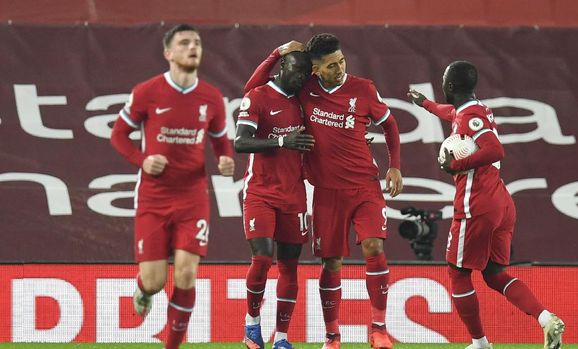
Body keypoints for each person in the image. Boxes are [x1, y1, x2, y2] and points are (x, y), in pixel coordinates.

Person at [245, 34, 403, 349]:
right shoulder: (304, 91)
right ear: (315, 70)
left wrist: (394, 166)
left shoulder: (364, 88)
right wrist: (277, 52)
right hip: (327, 192)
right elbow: (253, 89)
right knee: (331, 264)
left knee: (373, 246)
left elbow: (390, 125)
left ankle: (379, 329)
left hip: (365, 186)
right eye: (332, 65)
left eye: (342, 61)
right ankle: (332, 336)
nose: (340, 69)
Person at [408, 61, 565, 349]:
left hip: (476, 204)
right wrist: (425, 104)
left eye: (444, 83)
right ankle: (546, 319)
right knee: (494, 274)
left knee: (457, 273)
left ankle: (480, 344)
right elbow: (451, 113)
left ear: (451, 87)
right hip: (500, 201)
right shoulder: (471, 110)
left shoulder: (471, 117)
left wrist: (456, 164)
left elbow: (495, 149)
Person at [110, 24, 235, 349]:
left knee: (186, 275)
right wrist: (143, 160)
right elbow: (118, 135)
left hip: (193, 197)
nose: (193, 47)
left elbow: (221, 141)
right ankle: (143, 290)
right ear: (168, 53)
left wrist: (225, 160)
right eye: (184, 43)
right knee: (154, 281)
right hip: (153, 196)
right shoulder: (146, 92)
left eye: (197, 42)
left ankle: (172, 346)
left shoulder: (212, 97)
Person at [235, 50, 314, 349]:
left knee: (290, 266)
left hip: (294, 193)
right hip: (261, 191)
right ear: (283, 66)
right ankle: (252, 325)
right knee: (263, 256)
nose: (300, 78)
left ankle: (282, 337)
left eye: (305, 74)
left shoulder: (304, 98)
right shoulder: (257, 96)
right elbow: (240, 142)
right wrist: (282, 140)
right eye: (295, 71)